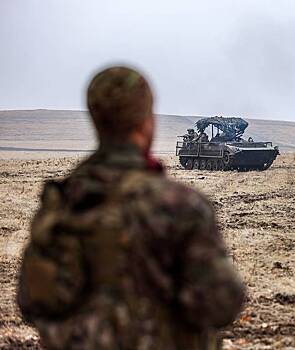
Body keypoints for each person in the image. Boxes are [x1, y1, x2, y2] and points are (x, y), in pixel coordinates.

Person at [17, 66, 245, 349]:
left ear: (97, 121)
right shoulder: (181, 206)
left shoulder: (61, 205)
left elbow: (32, 302)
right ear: (147, 122)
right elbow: (222, 303)